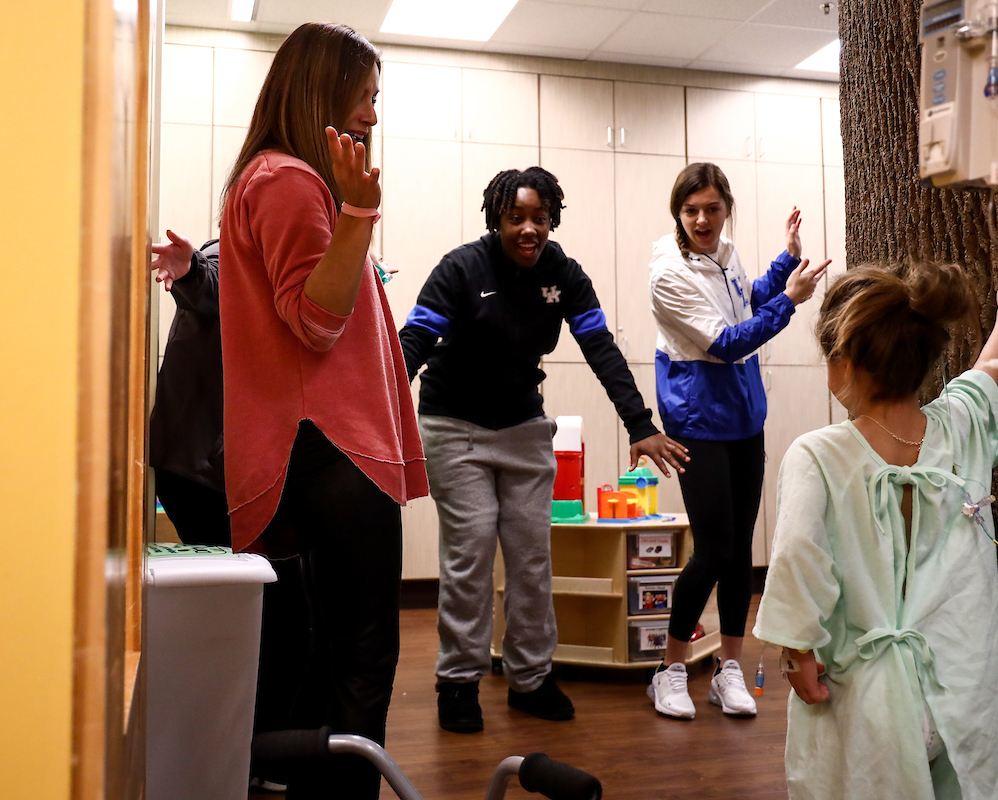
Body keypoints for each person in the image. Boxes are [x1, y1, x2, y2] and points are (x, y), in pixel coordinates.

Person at [398, 166, 688, 734]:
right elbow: (413, 344)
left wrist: (639, 424)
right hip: (453, 425)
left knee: (532, 559)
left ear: (552, 219)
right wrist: (377, 417)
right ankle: (458, 681)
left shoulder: (564, 275)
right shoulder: (461, 268)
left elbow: (600, 348)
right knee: (471, 555)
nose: (530, 229)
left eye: (541, 218)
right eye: (517, 218)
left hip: (524, 428)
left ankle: (530, 678)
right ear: (497, 219)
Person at [218, 22, 427, 800]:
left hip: (318, 452)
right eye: (365, 95)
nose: (371, 116)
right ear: (323, 89)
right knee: (362, 665)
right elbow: (314, 319)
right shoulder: (288, 181)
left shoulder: (275, 179)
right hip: (331, 449)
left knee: (325, 660)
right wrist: (358, 216)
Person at [753, 249, 998, 799]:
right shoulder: (960, 429)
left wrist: (797, 651)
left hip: (867, 698)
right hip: (958, 685)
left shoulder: (818, 455)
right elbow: (988, 369)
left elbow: (797, 560)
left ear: (847, 360)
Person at [645, 162, 829, 720]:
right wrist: (791, 301)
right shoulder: (668, 274)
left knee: (740, 549)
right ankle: (670, 670)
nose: (703, 219)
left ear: (726, 209)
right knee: (714, 549)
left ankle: (729, 668)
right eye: (691, 210)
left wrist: (785, 261)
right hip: (699, 418)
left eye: (713, 209)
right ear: (678, 213)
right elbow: (727, 342)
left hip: (745, 415)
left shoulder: (724, 253)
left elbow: (745, 299)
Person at [148, 232, 229, 547]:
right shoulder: (232, 254)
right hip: (198, 472)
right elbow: (212, 283)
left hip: (198, 465)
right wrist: (192, 268)